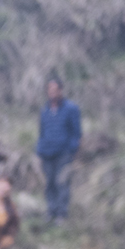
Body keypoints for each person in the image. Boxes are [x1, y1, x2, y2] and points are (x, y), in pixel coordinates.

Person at [36, 77, 81, 222]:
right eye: (49, 89)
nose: (52, 92)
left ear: (61, 90)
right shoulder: (45, 109)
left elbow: (76, 133)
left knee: (61, 183)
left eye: (55, 89)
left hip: (63, 153)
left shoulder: (71, 108)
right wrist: (39, 150)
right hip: (47, 153)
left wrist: (71, 150)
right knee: (49, 183)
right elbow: (42, 132)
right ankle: (51, 211)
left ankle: (62, 214)